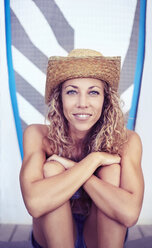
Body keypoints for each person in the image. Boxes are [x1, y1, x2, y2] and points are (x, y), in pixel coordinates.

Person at [20, 49, 144, 248]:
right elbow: (35, 204)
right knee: (52, 169)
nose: (82, 104)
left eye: (93, 92)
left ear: (106, 100)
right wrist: (94, 160)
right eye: (72, 91)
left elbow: (129, 215)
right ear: (59, 98)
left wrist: (72, 165)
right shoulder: (37, 135)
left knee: (112, 170)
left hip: (102, 234)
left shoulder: (127, 140)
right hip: (51, 235)